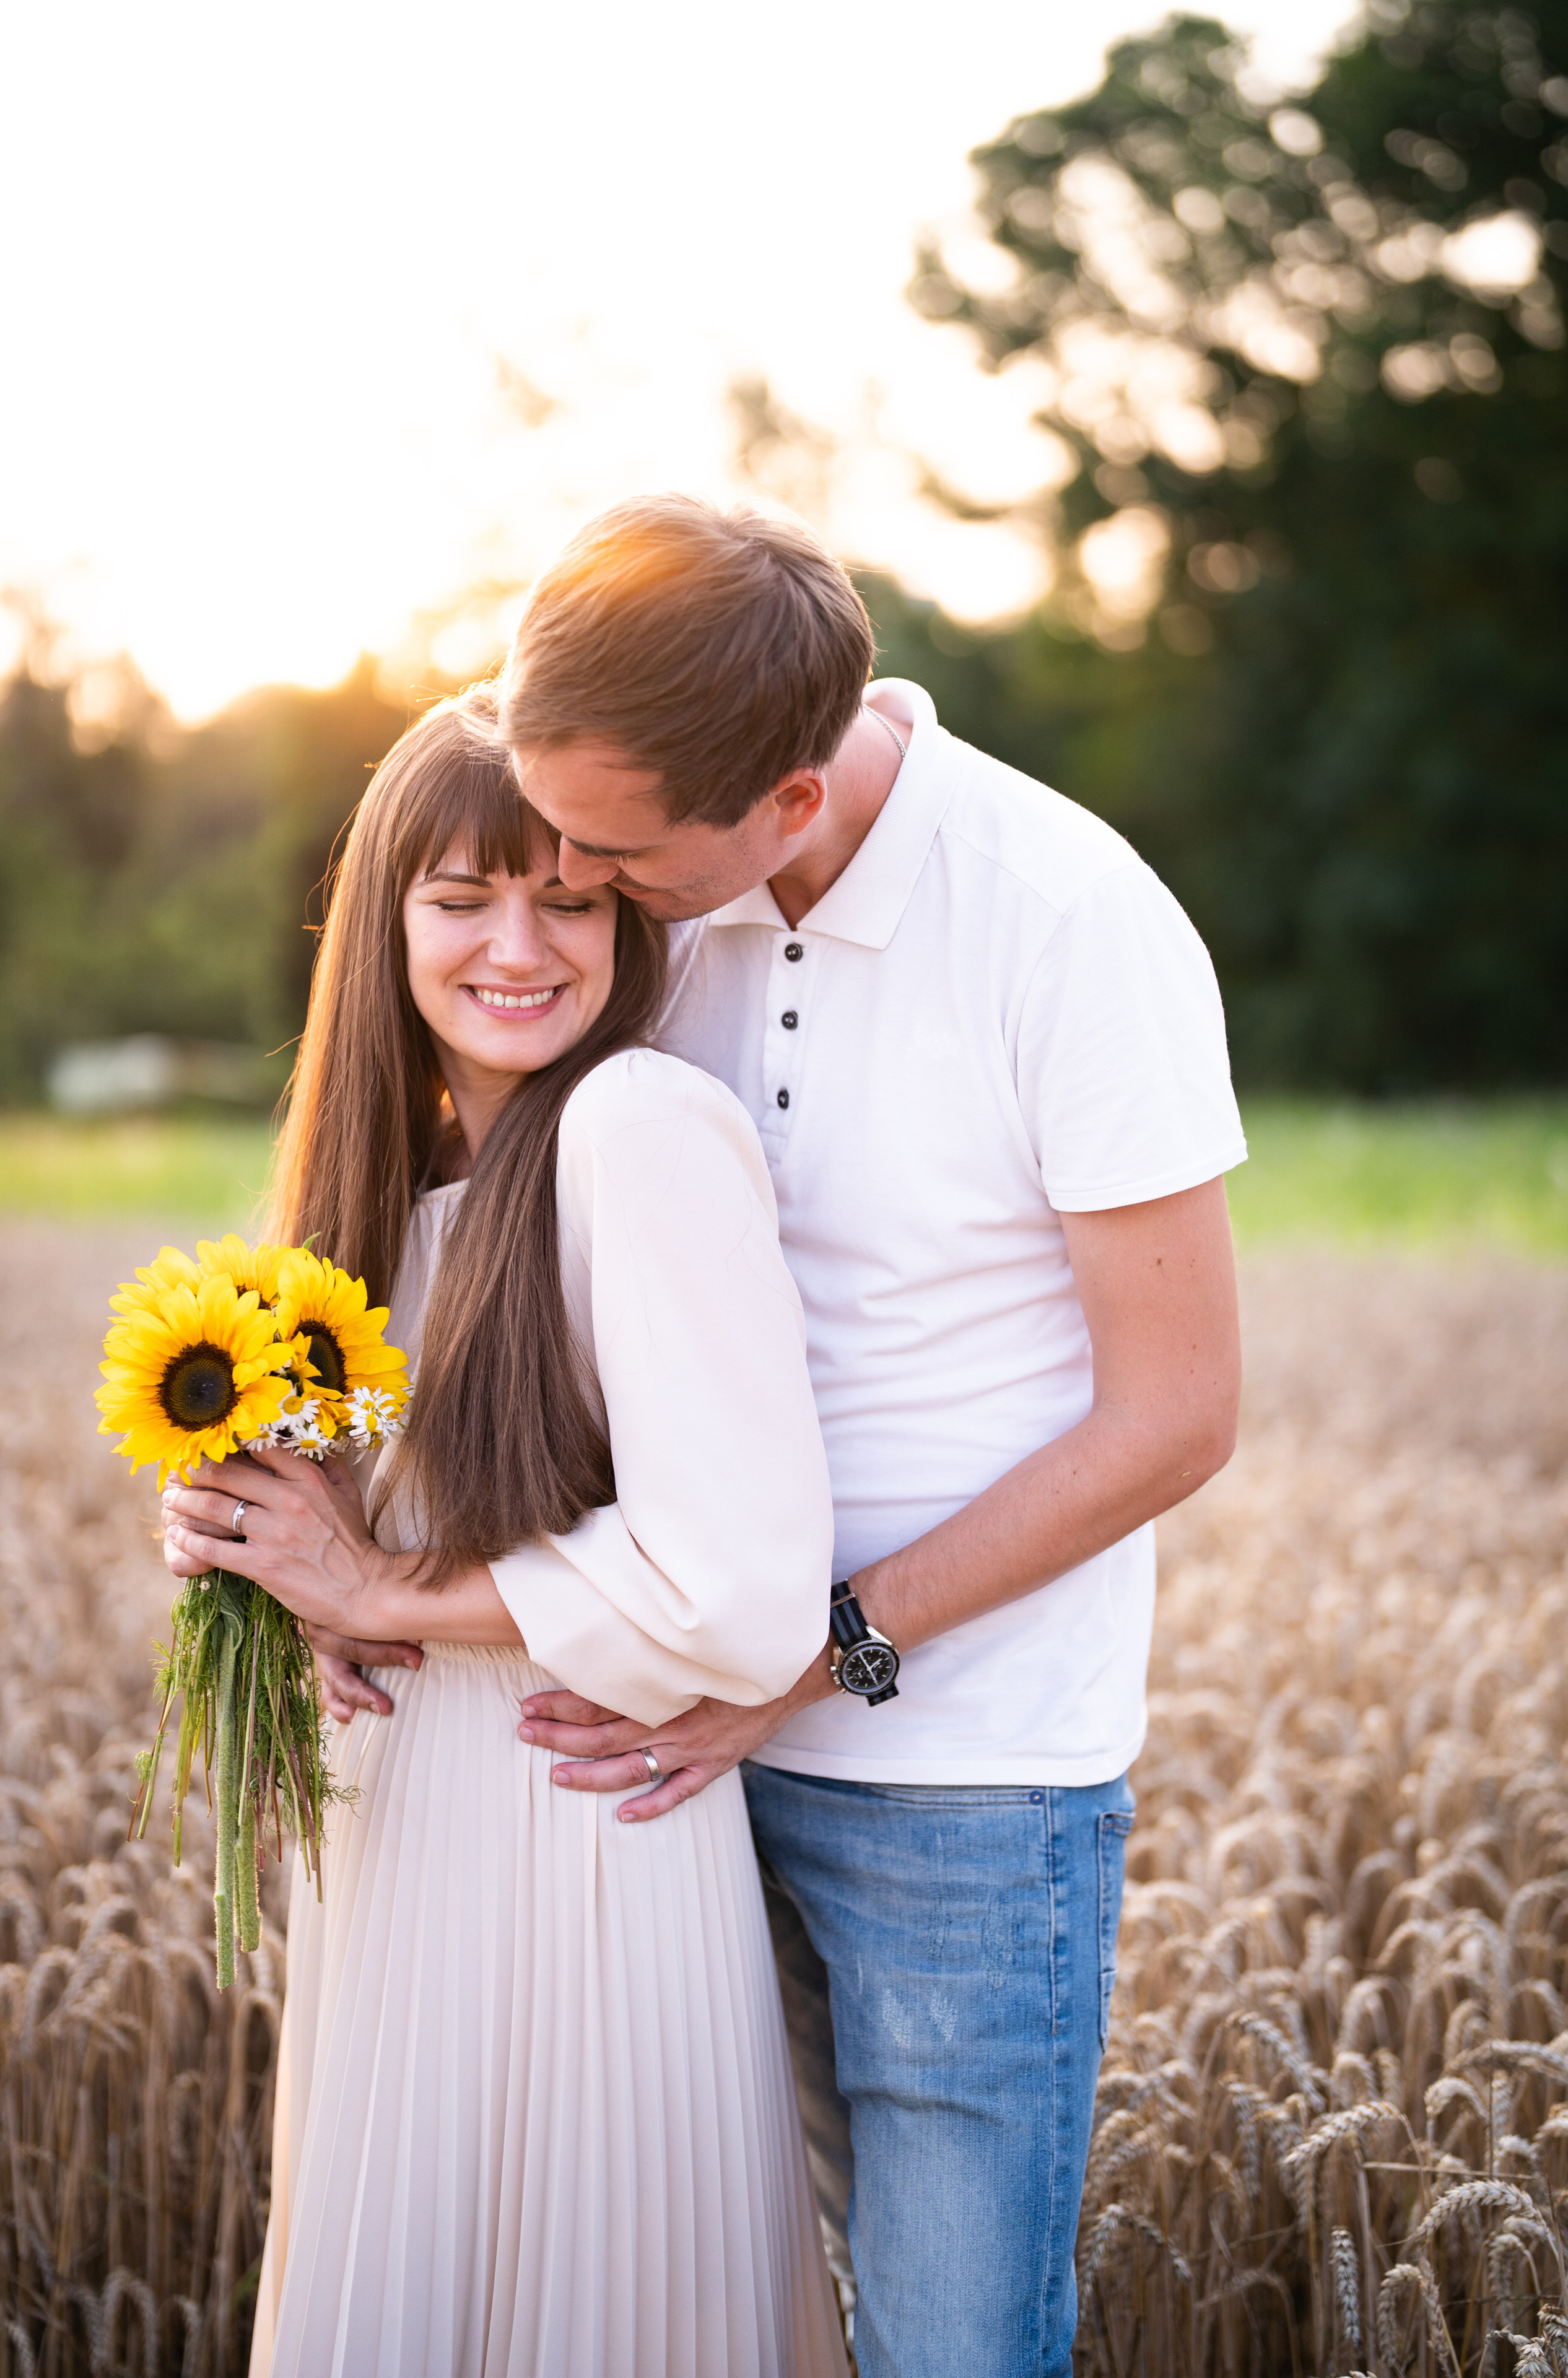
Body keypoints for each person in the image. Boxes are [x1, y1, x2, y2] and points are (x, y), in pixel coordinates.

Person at [341, 493, 1242, 2378]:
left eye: (609, 859)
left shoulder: (1070, 925)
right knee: (703, 2322)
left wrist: (808, 1659)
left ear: (789, 802)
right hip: (647, 1752)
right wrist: (295, 1515)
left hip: (962, 1783)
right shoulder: (653, 883)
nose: (571, 882)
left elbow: (1175, 1415)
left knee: (945, 2346)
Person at [159, 693, 850, 2378]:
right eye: (464, 899)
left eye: (571, 900)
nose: (520, 948)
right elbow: (357, 1523)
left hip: (578, 1830)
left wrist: (376, 1584)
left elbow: (739, 1585)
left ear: (629, 920)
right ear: (386, 923)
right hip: (400, 1836)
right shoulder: (374, 1190)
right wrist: (248, 1541)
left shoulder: (637, 1125)